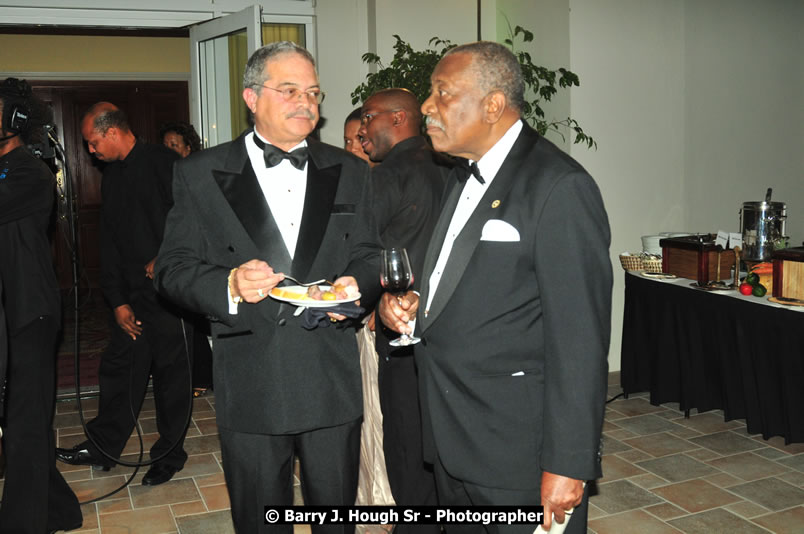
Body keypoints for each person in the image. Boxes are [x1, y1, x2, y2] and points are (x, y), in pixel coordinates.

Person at [378, 42, 612, 534]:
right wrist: (421, 307)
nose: (427, 106)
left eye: (443, 92)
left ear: (493, 105)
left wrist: (568, 463)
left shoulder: (559, 186)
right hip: (453, 437)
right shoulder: (461, 175)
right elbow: (480, 285)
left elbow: (580, 340)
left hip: (516, 452)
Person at [153, 41, 380, 533]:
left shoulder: (350, 170)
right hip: (252, 376)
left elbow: (370, 253)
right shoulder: (199, 173)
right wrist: (229, 283)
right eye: (290, 90)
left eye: (314, 92)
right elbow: (172, 268)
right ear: (251, 97)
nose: (306, 103)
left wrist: (354, 288)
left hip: (329, 374)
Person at [55, 102, 192, 487]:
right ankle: (103, 447)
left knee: (171, 375)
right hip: (131, 294)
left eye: (93, 142)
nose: (90, 151)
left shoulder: (166, 163)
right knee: (120, 366)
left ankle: (169, 454)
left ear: (112, 132)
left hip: (170, 292)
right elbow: (110, 242)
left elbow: (194, 219)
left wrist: (166, 256)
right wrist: (116, 300)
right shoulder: (112, 176)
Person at [358, 88, 452, 532]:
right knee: (439, 442)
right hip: (448, 331)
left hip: (400, 328)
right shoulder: (452, 167)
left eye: (367, 117)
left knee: (406, 444)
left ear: (398, 118)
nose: (361, 129)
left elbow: (358, 252)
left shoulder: (386, 175)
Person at [0, 77, 83, 532]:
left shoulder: (31, 172)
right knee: (18, 419)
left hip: (30, 309)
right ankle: (59, 509)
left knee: (25, 421)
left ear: (16, 119)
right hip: (8, 309)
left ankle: (23, 522)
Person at [158, 120, 213, 399]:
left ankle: (202, 375)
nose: (168, 150)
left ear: (188, 148)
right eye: (165, 145)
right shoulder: (164, 175)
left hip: (201, 252)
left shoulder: (199, 173)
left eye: (174, 145)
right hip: (177, 253)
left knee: (196, 318)